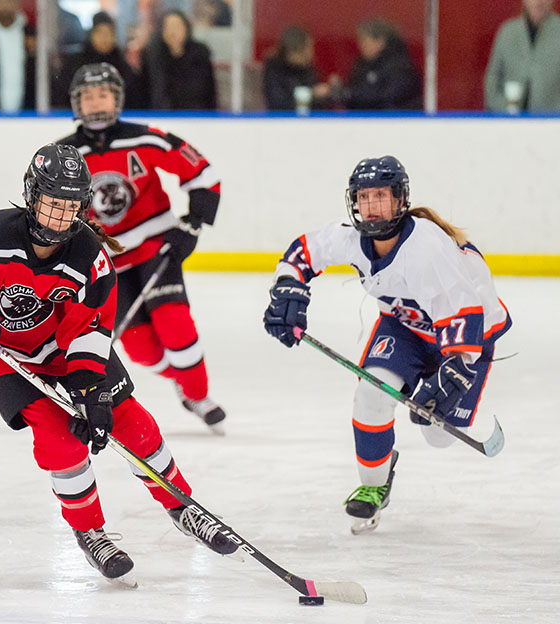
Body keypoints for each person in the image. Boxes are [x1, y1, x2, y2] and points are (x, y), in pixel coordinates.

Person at [0, 143, 237, 583]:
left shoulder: (90, 258)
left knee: (130, 422)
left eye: (70, 207)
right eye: (51, 204)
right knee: (61, 440)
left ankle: (182, 506)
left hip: (63, 347)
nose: (60, 218)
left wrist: (90, 393)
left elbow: (91, 331)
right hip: (0, 353)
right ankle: (91, 532)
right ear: (31, 194)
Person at [263, 156, 512, 534]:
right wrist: (287, 286)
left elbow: (466, 317)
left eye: (381, 195)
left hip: (468, 340)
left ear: (400, 200)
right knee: (371, 395)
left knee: (438, 435)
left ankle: (437, 408)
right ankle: (374, 485)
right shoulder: (353, 237)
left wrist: (455, 372)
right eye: (364, 197)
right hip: (404, 329)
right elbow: (305, 250)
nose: (372, 206)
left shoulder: (428, 251)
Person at [56, 63, 226, 432]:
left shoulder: (146, 138)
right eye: (87, 96)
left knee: (175, 324)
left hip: (154, 246)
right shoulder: (64, 154)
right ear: (76, 104)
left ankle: (198, 395)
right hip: (106, 262)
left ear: (116, 98)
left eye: (102, 94)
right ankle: (181, 380)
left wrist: (193, 223)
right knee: (141, 348)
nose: (95, 102)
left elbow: (202, 174)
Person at [54, 12, 146, 109]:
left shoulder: (122, 66)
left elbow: (134, 99)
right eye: (99, 32)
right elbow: (62, 95)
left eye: (108, 33)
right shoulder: (75, 64)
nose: (104, 38)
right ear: (92, 34)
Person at [484, 0, 560, 112]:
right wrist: (503, 110)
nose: (538, 2)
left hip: (552, 121)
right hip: (509, 121)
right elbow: (492, 78)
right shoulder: (507, 32)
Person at [143, 9, 217, 110]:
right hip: (161, 117)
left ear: (186, 29)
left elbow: (210, 92)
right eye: (168, 27)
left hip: (196, 116)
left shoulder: (200, 56)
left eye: (177, 27)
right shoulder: (153, 56)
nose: (173, 32)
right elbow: (146, 91)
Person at [344, 19, 421, 110]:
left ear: (380, 42)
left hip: (394, 120)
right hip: (364, 119)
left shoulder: (399, 66)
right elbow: (356, 88)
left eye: (364, 40)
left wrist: (348, 93)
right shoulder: (362, 64)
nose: (360, 45)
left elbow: (389, 95)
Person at [262, 26, 336, 111]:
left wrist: (329, 91)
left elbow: (321, 103)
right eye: (308, 48)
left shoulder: (307, 69)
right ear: (295, 51)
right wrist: (311, 94)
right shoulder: (275, 71)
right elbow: (278, 103)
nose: (311, 53)